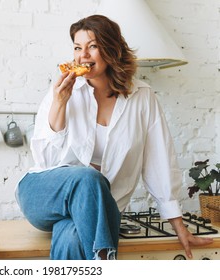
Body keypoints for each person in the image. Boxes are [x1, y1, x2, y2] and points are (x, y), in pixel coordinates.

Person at [15, 14, 213, 260]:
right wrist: (60, 104)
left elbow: (159, 161)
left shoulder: (142, 97)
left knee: (73, 237)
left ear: (112, 50)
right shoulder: (63, 92)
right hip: (44, 194)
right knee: (89, 178)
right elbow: (47, 161)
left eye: (93, 46)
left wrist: (179, 227)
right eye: (77, 48)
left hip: (98, 211)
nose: (83, 55)